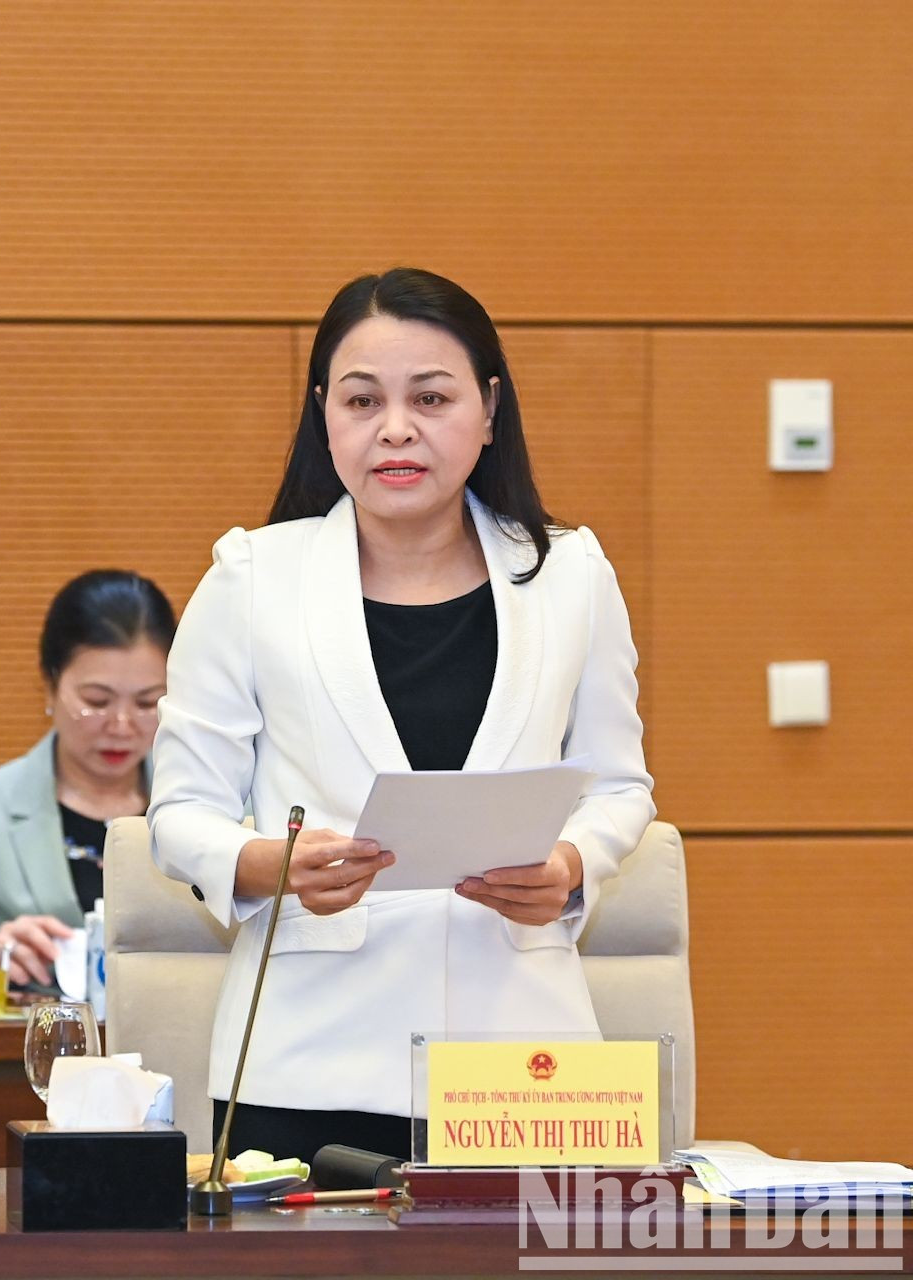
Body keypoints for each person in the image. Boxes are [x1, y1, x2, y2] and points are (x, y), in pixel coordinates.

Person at [148, 268, 654, 1165]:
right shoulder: (251, 578)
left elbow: (618, 785)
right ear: (324, 414)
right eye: (361, 399)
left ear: (489, 408)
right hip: (306, 1062)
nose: (396, 428)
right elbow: (180, 812)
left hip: (523, 1061)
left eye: (431, 396)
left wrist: (573, 865)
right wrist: (271, 864)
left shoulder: (571, 574)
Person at [0, 570, 176, 999]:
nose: (122, 726)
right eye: (97, 702)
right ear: (48, 686)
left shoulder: (211, 810)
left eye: (146, 702)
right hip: (27, 1060)